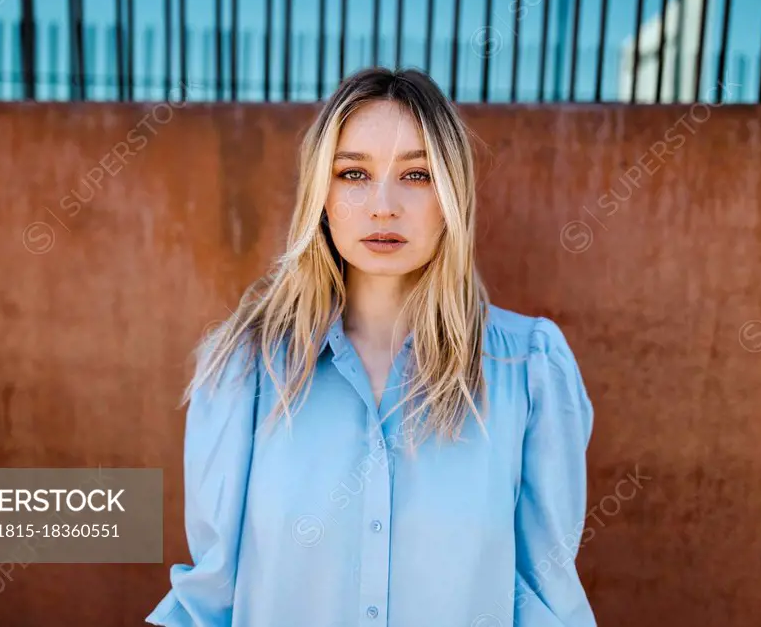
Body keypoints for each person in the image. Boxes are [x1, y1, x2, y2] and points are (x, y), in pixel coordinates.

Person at [146, 67, 597, 627]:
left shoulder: (527, 368)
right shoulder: (246, 367)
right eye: (353, 172)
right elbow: (210, 598)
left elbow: (543, 597)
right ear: (321, 194)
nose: (383, 205)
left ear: (451, 195)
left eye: (417, 174)